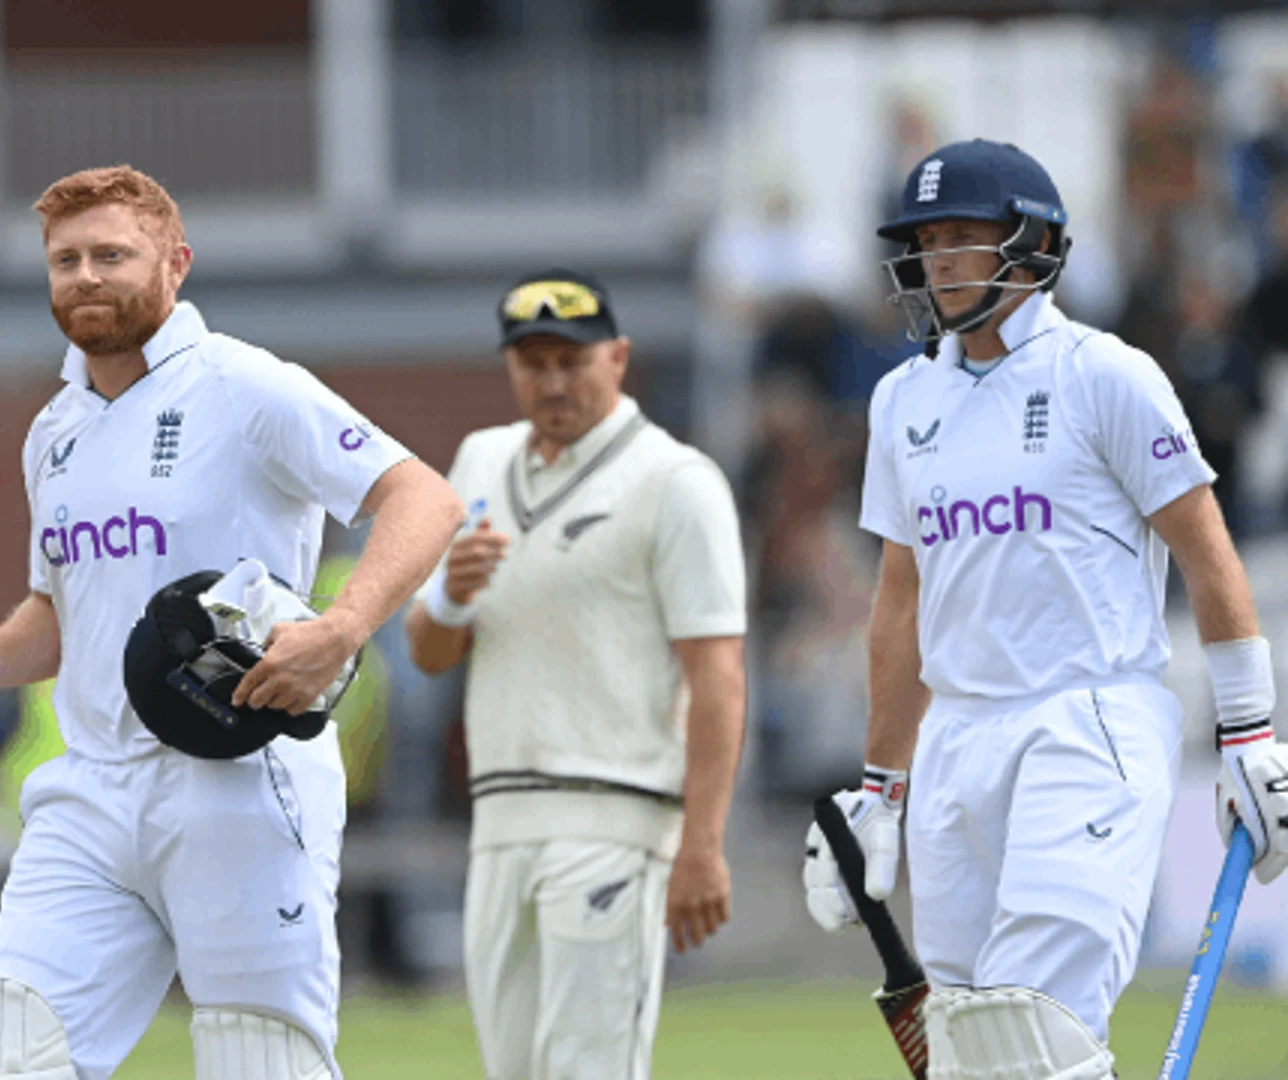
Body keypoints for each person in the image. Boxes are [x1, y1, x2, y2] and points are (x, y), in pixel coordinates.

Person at [0, 166, 462, 1080]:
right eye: (65, 260)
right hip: (89, 791)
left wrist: (344, 624)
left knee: (260, 1063)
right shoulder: (53, 431)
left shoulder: (244, 386)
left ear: (176, 263)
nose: (85, 277)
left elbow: (422, 497)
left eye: (112, 255)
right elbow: (60, 617)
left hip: (240, 776)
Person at [801, 140, 1288, 1079]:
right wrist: (879, 790)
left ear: (1032, 245)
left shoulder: (1105, 375)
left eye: (961, 238)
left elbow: (1206, 548)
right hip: (957, 738)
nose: (937, 260)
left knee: (1035, 1031)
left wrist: (1249, 734)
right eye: (925, 240)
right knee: (969, 1041)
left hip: (1086, 719)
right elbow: (900, 600)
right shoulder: (903, 400)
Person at [401, 270, 748, 1079]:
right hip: (497, 822)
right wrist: (451, 596)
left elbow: (718, 673)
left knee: (589, 1068)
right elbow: (427, 651)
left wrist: (701, 840)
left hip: (614, 819)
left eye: (573, 360)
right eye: (533, 363)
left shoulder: (676, 480)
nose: (553, 382)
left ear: (618, 357)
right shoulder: (481, 459)